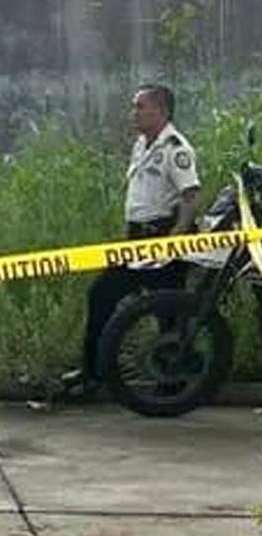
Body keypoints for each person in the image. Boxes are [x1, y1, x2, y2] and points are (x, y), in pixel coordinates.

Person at [63, 84, 201, 397]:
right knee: (102, 295)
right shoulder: (142, 144)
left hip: (163, 238)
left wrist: (175, 241)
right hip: (137, 238)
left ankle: (172, 381)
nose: (133, 113)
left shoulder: (176, 148)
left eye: (140, 106)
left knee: (167, 311)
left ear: (162, 111)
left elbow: (190, 199)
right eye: (134, 106)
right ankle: (92, 374)